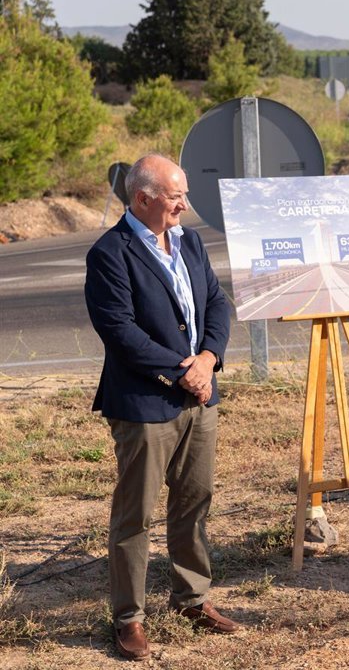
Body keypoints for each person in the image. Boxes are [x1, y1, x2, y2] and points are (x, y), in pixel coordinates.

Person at [84, 154, 237, 661]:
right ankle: (128, 618)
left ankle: (192, 598)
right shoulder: (110, 253)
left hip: (199, 396)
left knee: (195, 501)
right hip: (146, 401)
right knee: (135, 515)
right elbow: (121, 333)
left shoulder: (190, 242)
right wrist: (183, 368)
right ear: (143, 198)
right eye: (176, 197)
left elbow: (217, 303)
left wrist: (209, 358)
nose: (184, 205)